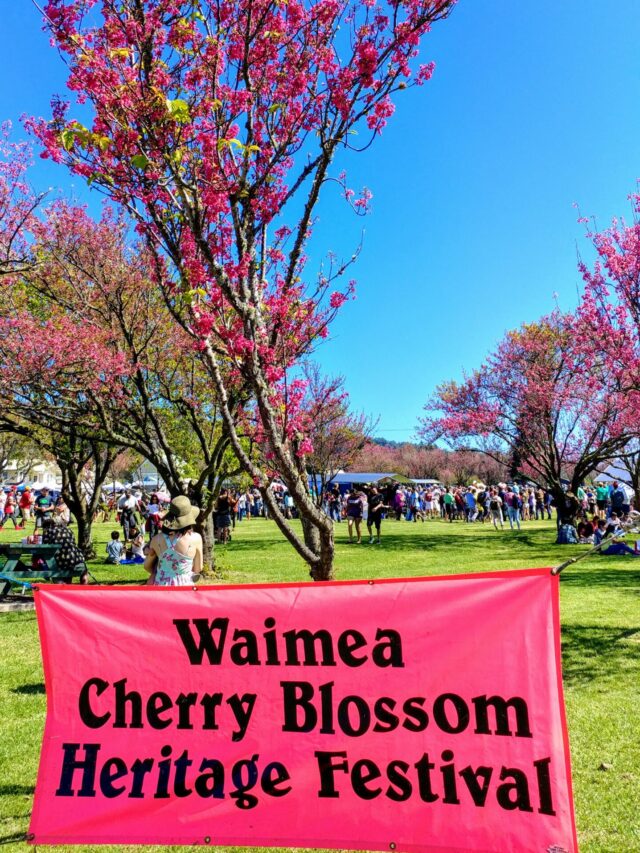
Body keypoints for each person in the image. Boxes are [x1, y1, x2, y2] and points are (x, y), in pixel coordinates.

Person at [144, 496, 203, 586]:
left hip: (161, 586)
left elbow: (147, 566)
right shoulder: (195, 538)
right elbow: (198, 568)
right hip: (185, 586)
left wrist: (164, 572)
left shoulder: (157, 539)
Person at [42, 517, 88, 583]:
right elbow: (73, 542)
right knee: (84, 571)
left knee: (64, 566)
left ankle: (66, 587)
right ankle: (85, 588)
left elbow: (44, 546)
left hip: (60, 560)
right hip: (76, 558)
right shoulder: (69, 530)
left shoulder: (48, 531)